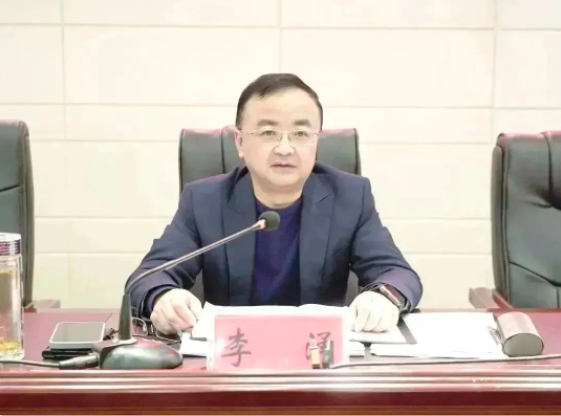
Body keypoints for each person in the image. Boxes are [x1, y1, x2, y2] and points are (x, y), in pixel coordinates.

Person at [126, 73, 422, 335]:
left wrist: (383, 298)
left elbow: (398, 273)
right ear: (240, 142)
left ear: (316, 141)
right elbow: (148, 276)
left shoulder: (350, 196)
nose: (285, 148)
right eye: (268, 133)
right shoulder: (204, 200)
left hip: (320, 358)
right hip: (233, 358)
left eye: (301, 134)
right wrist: (163, 297)